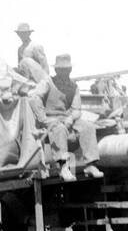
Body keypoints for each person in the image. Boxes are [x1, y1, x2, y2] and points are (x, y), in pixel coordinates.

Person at [43, 54, 103, 182]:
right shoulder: (48, 82)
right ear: (56, 70)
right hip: (51, 119)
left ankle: (90, 165)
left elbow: (77, 110)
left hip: (67, 118)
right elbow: (34, 98)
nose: (65, 72)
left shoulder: (73, 86)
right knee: (59, 129)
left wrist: (70, 118)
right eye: (62, 69)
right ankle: (63, 167)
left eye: (67, 69)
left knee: (88, 127)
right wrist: (40, 116)